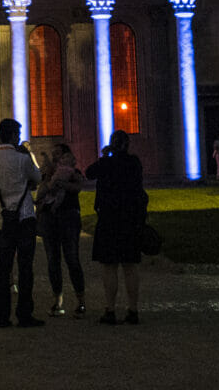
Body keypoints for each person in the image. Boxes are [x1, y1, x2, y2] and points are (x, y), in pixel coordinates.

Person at [0, 116, 45, 328]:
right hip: (24, 216)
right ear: (15, 135)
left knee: (4, 268)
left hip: (3, 220)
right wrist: (27, 155)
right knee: (25, 267)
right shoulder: (22, 159)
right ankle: (24, 313)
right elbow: (36, 178)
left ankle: (2, 315)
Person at [86, 128, 146, 325]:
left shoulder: (106, 162)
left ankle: (110, 309)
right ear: (127, 145)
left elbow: (89, 173)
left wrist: (105, 154)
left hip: (109, 218)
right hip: (130, 218)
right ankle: (133, 309)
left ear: (112, 144)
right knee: (130, 266)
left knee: (109, 266)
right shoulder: (134, 163)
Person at [37, 141, 86, 317]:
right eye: (54, 154)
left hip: (68, 218)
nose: (55, 157)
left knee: (72, 259)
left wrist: (62, 184)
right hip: (50, 218)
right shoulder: (48, 174)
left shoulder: (72, 172)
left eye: (58, 154)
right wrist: (48, 181)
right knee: (52, 260)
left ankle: (81, 300)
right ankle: (57, 300)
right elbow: (41, 193)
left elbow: (78, 187)